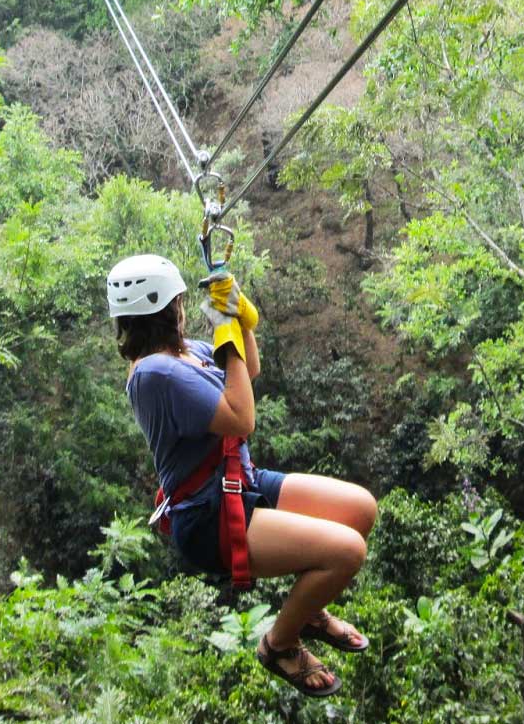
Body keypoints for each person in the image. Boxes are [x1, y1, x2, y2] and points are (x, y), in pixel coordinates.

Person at [106, 254, 377, 698]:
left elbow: (246, 374)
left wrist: (239, 316)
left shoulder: (183, 352)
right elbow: (241, 417)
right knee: (346, 552)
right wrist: (224, 337)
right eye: (178, 301)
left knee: (360, 510)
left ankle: (307, 613)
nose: (184, 308)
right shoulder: (155, 374)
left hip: (240, 481)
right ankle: (279, 644)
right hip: (208, 515)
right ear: (167, 307)